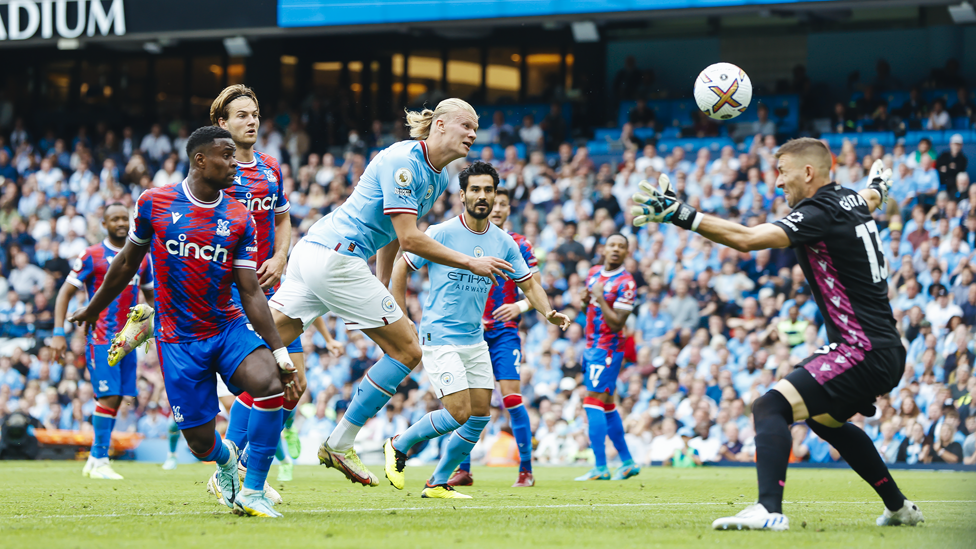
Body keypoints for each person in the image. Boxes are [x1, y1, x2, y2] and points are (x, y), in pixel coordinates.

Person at [632, 137, 923, 530]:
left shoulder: (818, 211)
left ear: (808, 173)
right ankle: (898, 507)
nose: (777, 183)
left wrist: (681, 214)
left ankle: (768, 509)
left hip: (862, 348)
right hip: (884, 347)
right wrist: (878, 187)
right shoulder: (851, 199)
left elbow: (747, 240)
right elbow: (870, 198)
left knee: (770, 406)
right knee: (824, 421)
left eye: (783, 173)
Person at [268, 99, 512, 487]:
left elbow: (389, 236)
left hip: (318, 254)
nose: (473, 134)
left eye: (475, 127)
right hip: (336, 259)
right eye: (467, 125)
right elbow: (410, 239)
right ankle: (340, 442)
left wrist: (382, 285)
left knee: (261, 349)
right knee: (408, 350)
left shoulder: (439, 177)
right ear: (441, 125)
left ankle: (237, 462)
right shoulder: (405, 162)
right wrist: (470, 261)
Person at [67, 126, 298, 518]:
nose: (234, 164)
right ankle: (224, 462)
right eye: (226, 155)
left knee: (270, 383)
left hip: (227, 327)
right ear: (200, 160)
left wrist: (280, 351)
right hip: (177, 339)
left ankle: (254, 490)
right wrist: (92, 307)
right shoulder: (155, 203)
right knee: (199, 442)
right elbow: (126, 263)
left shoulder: (239, 217)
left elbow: (251, 291)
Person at [382, 161, 570, 498]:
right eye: (476, 189)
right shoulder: (441, 232)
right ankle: (399, 444)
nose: (482, 196)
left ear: (495, 194)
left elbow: (529, 285)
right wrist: (401, 316)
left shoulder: (504, 242)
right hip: (439, 336)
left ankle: (438, 481)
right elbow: (400, 268)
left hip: (474, 339)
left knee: (480, 415)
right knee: (458, 412)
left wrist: (549, 312)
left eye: (488, 190)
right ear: (463, 194)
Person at [192, 85, 301, 491]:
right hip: (236, 294)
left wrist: (281, 256)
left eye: (254, 114)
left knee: (295, 385)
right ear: (222, 123)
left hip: (272, 284)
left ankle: (238, 469)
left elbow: (282, 219)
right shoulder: (215, 171)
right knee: (267, 381)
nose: (251, 121)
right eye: (241, 115)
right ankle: (238, 471)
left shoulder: (271, 168)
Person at [51, 202, 154, 480]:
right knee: (108, 396)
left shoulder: (142, 257)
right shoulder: (91, 255)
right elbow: (65, 294)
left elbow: (151, 295)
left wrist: (156, 325)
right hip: (100, 337)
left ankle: (97, 459)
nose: (121, 223)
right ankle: (99, 458)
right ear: (104, 225)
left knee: (119, 397)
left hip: (129, 338)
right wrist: (58, 333)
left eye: (125, 218)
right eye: (115, 219)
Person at [448, 186, 541, 488]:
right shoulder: (464, 240)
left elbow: (535, 289)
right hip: (470, 330)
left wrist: (519, 305)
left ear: (509, 209)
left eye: (503, 203)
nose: (497, 208)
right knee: (467, 403)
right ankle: (463, 469)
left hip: (503, 332)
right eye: (493, 202)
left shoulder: (518, 244)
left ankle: (525, 469)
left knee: (512, 399)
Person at [575, 234, 640, 482]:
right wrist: (584, 302)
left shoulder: (627, 283)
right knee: (608, 406)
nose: (616, 249)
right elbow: (588, 310)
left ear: (626, 252)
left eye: (621, 247)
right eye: (612, 245)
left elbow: (617, 324)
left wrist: (600, 297)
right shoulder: (593, 272)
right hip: (592, 345)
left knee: (592, 403)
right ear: (603, 249)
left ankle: (600, 467)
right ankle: (627, 463)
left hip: (608, 348)